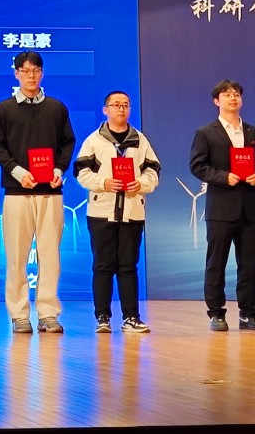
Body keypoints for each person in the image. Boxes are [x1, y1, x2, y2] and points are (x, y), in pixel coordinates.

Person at [0, 50, 76, 335]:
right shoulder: (3, 109)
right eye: (25, 71)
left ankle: (48, 313)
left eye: (36, 70)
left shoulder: (56, 108)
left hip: (50, 192)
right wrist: (17, 172)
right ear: (16, 74)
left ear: (42, 73)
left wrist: (59, 169)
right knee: (17, 256)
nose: (31, 76)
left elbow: (67, 143)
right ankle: (19, 314)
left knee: (50, 254)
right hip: (17, 192)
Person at [73, 90, 160, 334]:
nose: (121, 109)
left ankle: (131, 317)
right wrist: (104, 183)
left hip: (132, 212)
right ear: (105, 110)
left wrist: (140, 184)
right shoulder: (94, 140)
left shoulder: (140, 140)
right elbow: (81, 172)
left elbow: (153, 171)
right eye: (116, 105)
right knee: (102, 265)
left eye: (125, 105)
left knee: (128, 266)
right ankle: (102, 317)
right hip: (101, 212)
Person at [189, 79, 255, 331]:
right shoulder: (206, 132)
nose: (233, 98)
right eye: (227, 94)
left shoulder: (254, 133)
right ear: (217, 101)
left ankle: (248, 314)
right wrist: (223, 177)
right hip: (220, 208)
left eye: (236, 94)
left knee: (248, 265)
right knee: (216, 263)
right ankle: (216, 313)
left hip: (249, 207)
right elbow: (197, 166)